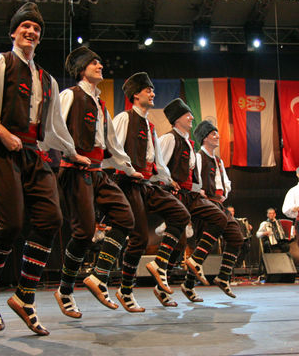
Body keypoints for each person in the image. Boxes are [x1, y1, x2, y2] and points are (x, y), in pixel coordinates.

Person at [0, 3, 80, 335]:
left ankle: (25, 297)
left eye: (37, 29)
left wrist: (74, 153)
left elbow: (54, 128)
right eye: (25, 26)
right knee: (10, 224)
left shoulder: (47, 80)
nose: (31, 32)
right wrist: (0, 130)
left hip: (31, 153)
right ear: (13, 32)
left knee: (51, 219)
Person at [54, 46, 143, 316]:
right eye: (94, 63)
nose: (100, 66)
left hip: (97, 171)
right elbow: (54, 126)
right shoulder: (70, 95)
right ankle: (65, 290)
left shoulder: (101, 104)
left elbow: (113, 146)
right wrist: (71, 154)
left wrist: (129, 169)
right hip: (75, 168)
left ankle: (98, 276)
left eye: (100, 63)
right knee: (82, 233)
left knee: (126, 218)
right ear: (82, 69)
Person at [111, 72, 190, 312]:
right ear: (136, 95)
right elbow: (113, 147)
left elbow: (156, 160)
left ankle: (160, 264)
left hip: (147, 184)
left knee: (180, 215)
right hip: (127, 182)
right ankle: (125, 290)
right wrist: (128, 169)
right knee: (139, 239)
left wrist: (166, 179)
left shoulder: (150, 125)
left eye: (153, 90)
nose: (153, 93)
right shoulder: (124, 118)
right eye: (148, 90)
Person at [159, 99, 228, 303]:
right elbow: (159, 166)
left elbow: (193, 178)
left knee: (219, 222)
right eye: (187, 114)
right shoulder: (169, 139)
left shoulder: (188, 143)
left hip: (191, 197)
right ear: (176, 119)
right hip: (175, 196)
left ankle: (197, 264)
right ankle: (160, 285)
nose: (192, 117)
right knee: (178, 245)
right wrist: (169, 182)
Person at [193, 120, 244, 298]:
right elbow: (194, 179)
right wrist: (200, 193)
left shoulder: (218, 160)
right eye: (213, 133)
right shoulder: (199, 157)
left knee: (236, 236)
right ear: (205, 138)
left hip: (218, 203)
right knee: (204, 246)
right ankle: (187, 285)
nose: (218, 136)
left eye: (217, 133)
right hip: (205, 203)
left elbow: (226, 183)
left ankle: (223, 277)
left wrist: (224, 193)